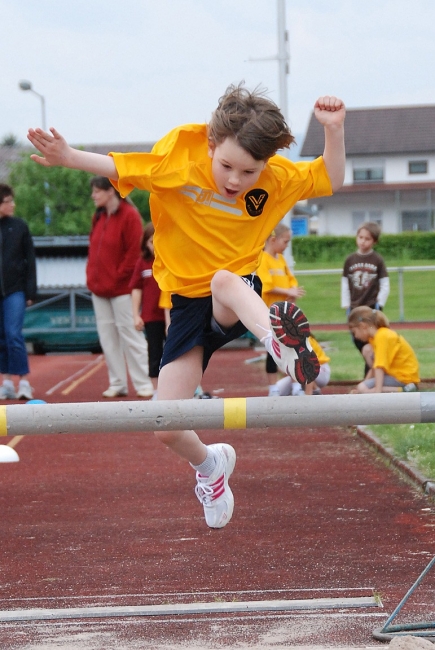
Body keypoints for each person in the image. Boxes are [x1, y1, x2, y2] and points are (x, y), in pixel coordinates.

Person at [27, 83, 346, 528]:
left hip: (237, 294)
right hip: (185, 308)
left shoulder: (276, 180)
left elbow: (330, 177)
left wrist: (334, 130)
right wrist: (68, 157)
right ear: (212, 146)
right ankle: (211, 467)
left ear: (266, 164)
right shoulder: (181, 160)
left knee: (224, 280)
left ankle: (282, 346)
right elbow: (123, 166)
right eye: (227, 166)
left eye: (249, 172)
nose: (236, 181)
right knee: (165, 424)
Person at [87, 176, 154, 399]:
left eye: (97, 191)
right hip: (99, 289)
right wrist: (93, 277)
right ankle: (117, 383)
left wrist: (116, 278)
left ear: (111, 192)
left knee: (131, 335)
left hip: (122, 289)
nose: (93, 196)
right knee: (108, 337)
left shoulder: (129, 215)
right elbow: (93, 249)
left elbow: (134, 253)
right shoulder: (98, 216)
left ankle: (144, 382)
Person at [256, 223, 306, 396]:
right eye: (285, 242)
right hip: (271, 312)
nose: (287, 246)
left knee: (292, 348)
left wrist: (293, 291)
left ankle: (296, 386)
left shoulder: (281, 259)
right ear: (273, 239)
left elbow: (291, 280)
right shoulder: (263, 259)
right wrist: (287, 291)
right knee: (273, 350)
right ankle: (273, 388)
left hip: (287, 312)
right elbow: (267, 285)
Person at [0, 183, 36, 400]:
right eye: (8, 201)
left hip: (16, 290)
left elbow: (30, 260)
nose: (13, 204)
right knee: (1, 336)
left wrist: (30, 291)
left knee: (14, 334)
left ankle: (23, 381)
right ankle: (6, 382)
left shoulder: (20, 226)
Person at [341, 221, 390, 376]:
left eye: (367, 239)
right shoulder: (350, 260)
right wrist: (346, 305)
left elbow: (385, 284)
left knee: (371, 343)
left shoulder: (378, 260)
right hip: (354, 308)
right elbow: (345, 284)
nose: (362, 241)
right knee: (358, 340)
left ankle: (371, 375)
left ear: (374, 241)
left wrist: (379, 305)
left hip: (370, 308)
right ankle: (372, 372)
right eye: (360, 237)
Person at [348, 306, 419, 393]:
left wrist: (377, 391)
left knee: (363, 388)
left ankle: (404, 390)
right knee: (367, 350)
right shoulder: (376, 337)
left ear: (363, 326)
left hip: (403, 378)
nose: (355, 336)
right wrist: (364, 385)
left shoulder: (382, 337)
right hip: (398, 375)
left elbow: (379, 367)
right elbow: (374, 368)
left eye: (354, 332)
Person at [130, 222, 166, 393]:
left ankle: (187, 388)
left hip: (173, 315)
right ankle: (157, 391)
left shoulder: (171, 260)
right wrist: (135, 315)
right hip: (151, 317)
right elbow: (136, 289)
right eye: (151, 242)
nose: (155, 246)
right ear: (145, 243)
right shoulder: (143, 263)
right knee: (154, 354)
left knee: (179, 353)